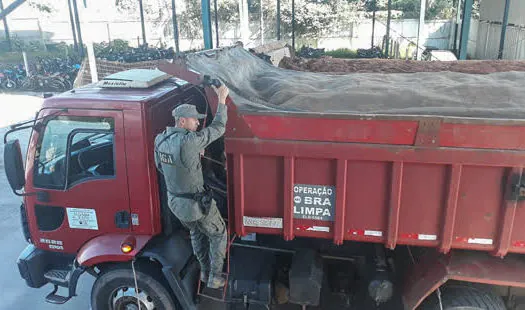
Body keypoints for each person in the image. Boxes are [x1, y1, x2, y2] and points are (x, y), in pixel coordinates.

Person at [154, 84, 229, 289]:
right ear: (182, 121)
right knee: (218, 233)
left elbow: (162, 167)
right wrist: (221, 100)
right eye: (195, 119)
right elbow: (218, 128)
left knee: (196, 234)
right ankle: (214, 276)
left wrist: (192, 157)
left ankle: (204, 272)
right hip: (196, 204)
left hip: (176, 204)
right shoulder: (189, 141)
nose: (197, 122)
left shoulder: (161, 140)